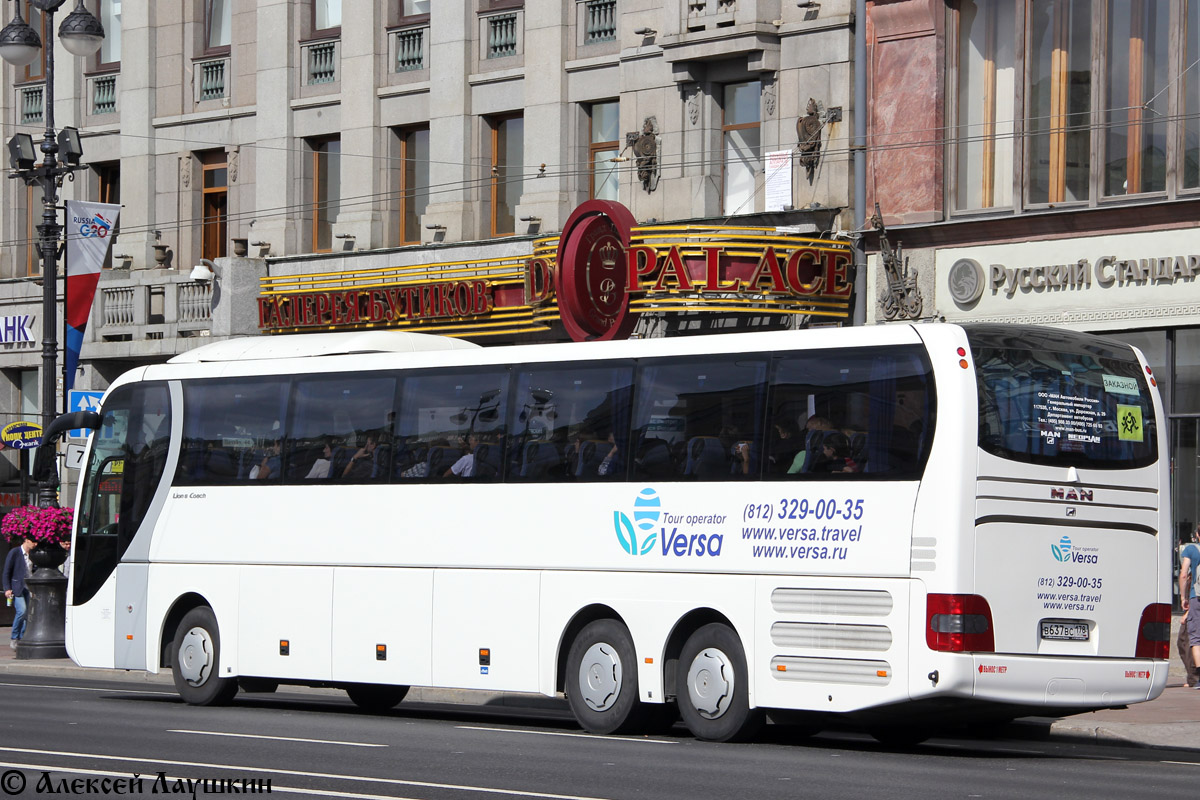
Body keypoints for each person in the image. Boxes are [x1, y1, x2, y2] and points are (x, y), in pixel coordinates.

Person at [2, 538, 35, 649]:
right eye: (33, 542)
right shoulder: (15, 552)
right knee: (22, 611)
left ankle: (22, 637)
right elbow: (7, 571)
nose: (35, 544)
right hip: (18, 587)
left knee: (27, 615)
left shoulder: (34, 554)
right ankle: (14, 637)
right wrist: (7, 588)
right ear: (26, 540)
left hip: (29, 588)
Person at [1181, 525, 1200, 688]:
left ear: (1197, 535)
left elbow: (1183, 574)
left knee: (1195, 639)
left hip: (1197, 598)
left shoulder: (1192, 550)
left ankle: (1197, 678)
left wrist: (1182, 598)